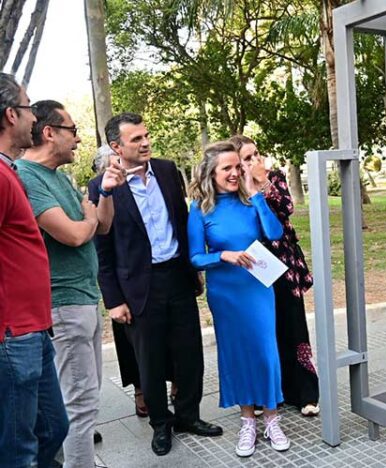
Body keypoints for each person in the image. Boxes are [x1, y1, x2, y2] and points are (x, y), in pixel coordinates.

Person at [91, 112, 222, 457]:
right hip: (138, 287)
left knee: (189, 352)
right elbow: (102, 248)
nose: (146, 142)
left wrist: (194, 270)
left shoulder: (166, 170)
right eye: (136, 139)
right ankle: (161, 425)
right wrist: (113, 299)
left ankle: (189, 416)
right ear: (116, 146)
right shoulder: (102, 187)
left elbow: (180, 220)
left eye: (146, 135)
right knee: (148, 362)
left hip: (176, 277)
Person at [15, 101, 125, 467]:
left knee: (79, 400)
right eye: (72, 130)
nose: (78, 139)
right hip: (62, 304)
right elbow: (75, 235)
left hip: (83, 299)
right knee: (80, 405)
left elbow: (100, 225)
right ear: (49, 133)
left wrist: (105, 193)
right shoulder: (26, 177)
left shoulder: (59, 177)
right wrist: (88, 217)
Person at [187, 141, 289, 457]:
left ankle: (272, 418)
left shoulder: (251, 202)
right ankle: (247, 421)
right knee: (236, 353)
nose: (234, 173)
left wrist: (255, 192)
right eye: (227, 168)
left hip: (257, 287)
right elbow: (194, 258)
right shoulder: (199, 209)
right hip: (225, 292)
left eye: (237, 166)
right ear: (211, 173)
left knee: (265, 351)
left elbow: (273, 234)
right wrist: (223, 255)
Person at [0, 73, 69, 467]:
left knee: (52, 429)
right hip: (13, 335)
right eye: (27, 109)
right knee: (17, 450)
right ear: (11, 115)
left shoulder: (9, 171)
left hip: (34, 330)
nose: (33, 119)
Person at [230, 135, 320, 417]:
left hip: (283, 261)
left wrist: (263, 183)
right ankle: (266, 393)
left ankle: (304, 393)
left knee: (293, 324)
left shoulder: (275, 177)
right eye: (247, 158)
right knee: (262, 328)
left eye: (256, 154)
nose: (255, 160)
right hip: (251, 264)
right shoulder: (232, 187)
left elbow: (286, 208)